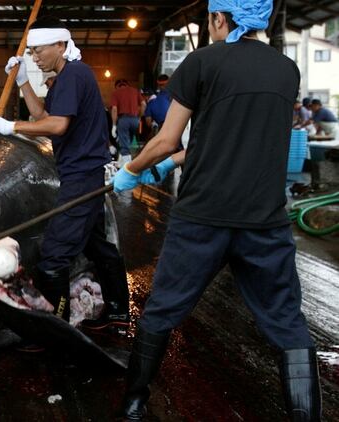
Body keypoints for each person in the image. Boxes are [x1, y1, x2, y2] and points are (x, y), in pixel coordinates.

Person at [112, 1, 321, 420]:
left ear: (220, 18)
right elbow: (229, 139)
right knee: (287, 322)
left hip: (202, 217)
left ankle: (133, 405)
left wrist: (131, 170)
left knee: (163, 309)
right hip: (264, 219)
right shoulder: (286, 70)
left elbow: (167, 138)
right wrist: (171, 165)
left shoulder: (202, 61)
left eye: (209, 19)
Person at [0, 16, 130, 329]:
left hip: (82, 175)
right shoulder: (67, 77)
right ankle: (118, 311)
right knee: (96, 245)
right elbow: (44, 116)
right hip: (84, 172)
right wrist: (23, 81)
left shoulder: (74, 75)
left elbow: (57, 126)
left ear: (61, 45)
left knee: (53, 256)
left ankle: (56, 327)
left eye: (39, 50)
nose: (34, 57)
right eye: (31, 52)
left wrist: (10, 126)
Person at [110, 79, 146, 165]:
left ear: (117, 86)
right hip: (135, 120)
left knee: (124, 144)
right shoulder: (135, 91)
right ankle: (121, 162)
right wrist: (139, 117)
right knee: (127, 142)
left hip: (123, 120)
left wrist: (114, 125)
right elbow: (144, 104)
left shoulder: (116, 92)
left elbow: (114, 109)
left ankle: (127, 167)